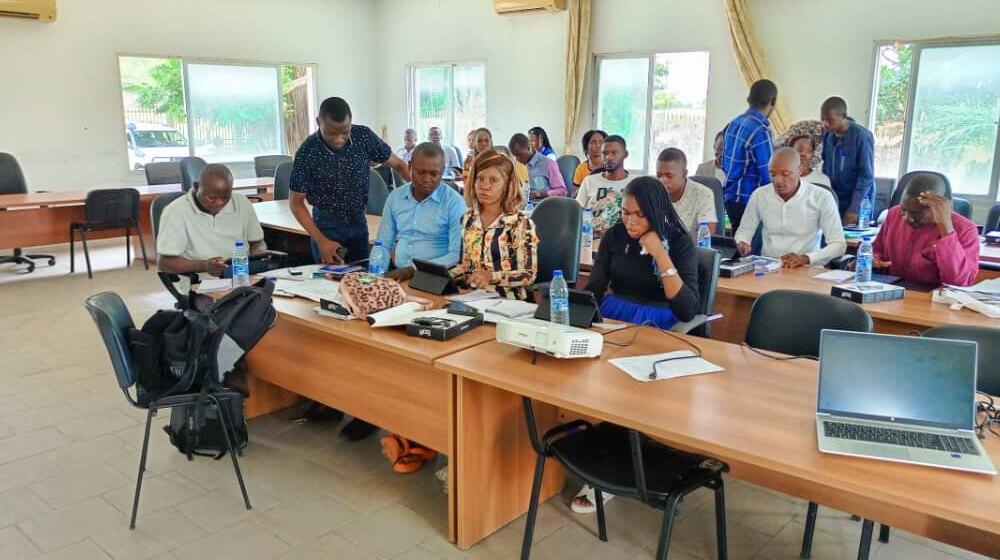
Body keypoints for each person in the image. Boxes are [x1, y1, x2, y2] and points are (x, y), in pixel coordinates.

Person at [572, 175, 701, 514]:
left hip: (660, 323)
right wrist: (579, 312)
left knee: (628, 388)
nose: (630, 221)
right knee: (591, 377)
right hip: (617, 316)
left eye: (639, 215)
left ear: (657, 213)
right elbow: (598, 284)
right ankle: (603, 456)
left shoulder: (679, 242)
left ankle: (618, 467)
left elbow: (687, 308)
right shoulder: (615, 235)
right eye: (626, 213)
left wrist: (659, 253)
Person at [288, 96, 410, 440]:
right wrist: (322, 240)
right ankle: (329, 397)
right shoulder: (309, 151)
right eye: (334, 133)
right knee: (331, 311)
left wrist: (413, 197)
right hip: (324, 226)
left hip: (358, 227)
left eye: (345, 132)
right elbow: (296, 203)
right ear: (318, 122)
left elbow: (399, 164)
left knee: (365, 308)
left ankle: (363, 402)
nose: (341, 139)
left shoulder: (363, 136)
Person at [449, 149, 538, 300]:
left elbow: (528, 274)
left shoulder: (520, 223)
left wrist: (491, 276)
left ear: (507, 184)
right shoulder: (468, 218)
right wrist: (446, 275)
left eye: (493, 180)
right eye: (480, 179)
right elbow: (466, 265)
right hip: (472, 297)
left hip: (508, 302)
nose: (484, 186)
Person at [735, 147, 845, 267]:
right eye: (772, 174)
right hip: (767, 268)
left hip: (807, 269)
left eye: (785, 174)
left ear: (800, 170)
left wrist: (806, 258)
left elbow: (839, 245)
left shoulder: (821, 197)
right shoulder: (759, 195)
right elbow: (744, 230)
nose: (777, 180)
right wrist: (742, 241)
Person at [157, 163, 266, 279]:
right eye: (212, 198)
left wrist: (259, 256)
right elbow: (165, 263)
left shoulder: (242, 203)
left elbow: (257, 242)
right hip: (200, 282)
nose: (219, 203)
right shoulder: (175, 211)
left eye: (225, 197)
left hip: (242, 276)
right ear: (197, 187)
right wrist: (204, 265)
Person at [376, 143, 467, 281]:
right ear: (410, 167)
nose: (426, 179)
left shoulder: (454, 202)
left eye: (434, 174)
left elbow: (456, 254)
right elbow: (383, 244)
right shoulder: (396, 197)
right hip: (398, 273)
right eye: (420, 172)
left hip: (435, 277)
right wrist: (377, 276)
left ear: (443, 171)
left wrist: (412, 270)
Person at [871, 174, 979, 287]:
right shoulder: (894, 214)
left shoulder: (965, 229)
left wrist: (946, 228)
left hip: (932, 299)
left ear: (940, 207)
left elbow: (959, 282)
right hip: (890, 292)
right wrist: (873, 260)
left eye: (917, 213)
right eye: (904, 210)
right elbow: (877, 249)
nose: (907, 218)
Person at [721, 79, 778, 230]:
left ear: (749, 99)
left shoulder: (733, 124)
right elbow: (769, 175)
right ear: (773, 101)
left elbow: (723, 163)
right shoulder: (761, 131)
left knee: (740, 247)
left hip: (730, 199)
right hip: (751, 202)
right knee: (753, 251)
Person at [821, 96, 875, 225]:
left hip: (858, 200)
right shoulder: (828, 135)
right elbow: (826, 166)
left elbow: (866, 176)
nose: (825, 124)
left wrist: (854, 208)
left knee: (851, 240)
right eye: (822, 119)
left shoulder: (862, 137)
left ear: (843, 116)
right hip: (836, 198)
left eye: (829, 120)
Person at [574, 135, 631, 237]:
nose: (608, 157)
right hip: (591, 239)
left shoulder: (635, 183)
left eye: (614, 153)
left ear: (625, 154)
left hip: (623, 240)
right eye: (604, 153)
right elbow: (577, 213)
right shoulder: (589, 181)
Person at [655, 148, 717, 236]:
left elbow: (705, 239)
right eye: (659, 175)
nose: (663, 180)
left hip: (690, 249)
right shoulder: (653, 193)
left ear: (684, 174)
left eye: (669, 176)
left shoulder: (704, 194)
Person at [508, 133, 567, 200]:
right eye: (515, 156)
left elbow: (562, 191)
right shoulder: (517, 166)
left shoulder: (548, 164)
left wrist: (542, 194)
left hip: (544, 205)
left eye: (519, 155)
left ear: (528, 148)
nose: (517, 159)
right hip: (524, 206)